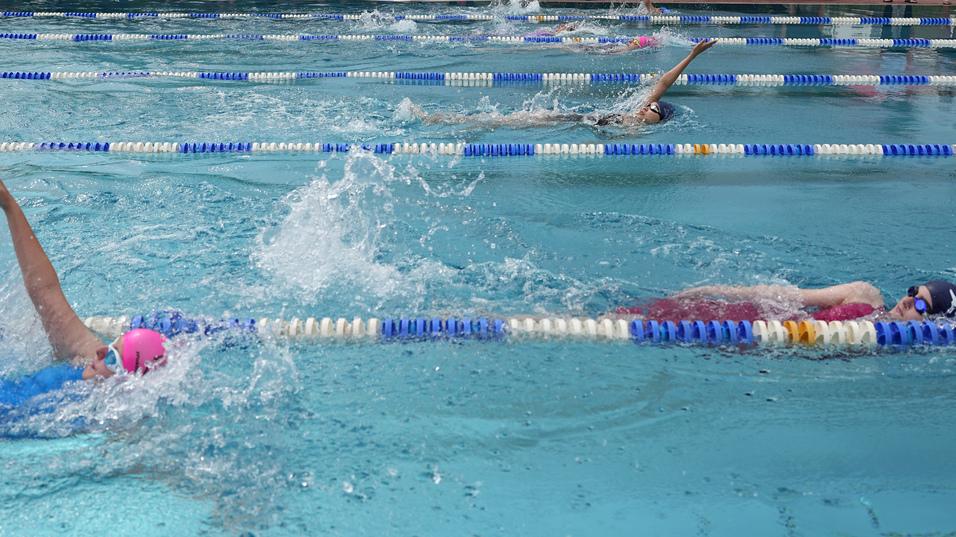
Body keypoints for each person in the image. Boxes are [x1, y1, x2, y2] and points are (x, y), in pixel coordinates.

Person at [0, 178, 166, 410]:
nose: (99, 351)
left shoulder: (102, 420)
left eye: (111, 357)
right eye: (110, 347)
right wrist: (8, 203)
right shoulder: (83, 361)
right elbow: (44, 289)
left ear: (129, 381)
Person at [420, 38, 716, 128]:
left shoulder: (637, 131)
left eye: (651, 109)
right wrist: (691, 55)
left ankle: (446, 120)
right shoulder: (636, 117)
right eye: (649, 105)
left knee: (510, 122)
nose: (645, 107)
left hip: (575, 122)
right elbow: (664, 83)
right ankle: (446, 120)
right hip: (575, 118)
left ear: (658, 120)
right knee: (510, 120)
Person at [616, 280, 956, 322]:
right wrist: (714, 290)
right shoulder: (865, 296)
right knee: (636, 316)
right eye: (914, 292)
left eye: (922, 305)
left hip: (755, 345)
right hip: (752, 318)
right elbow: (781, 295)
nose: (909, 302)